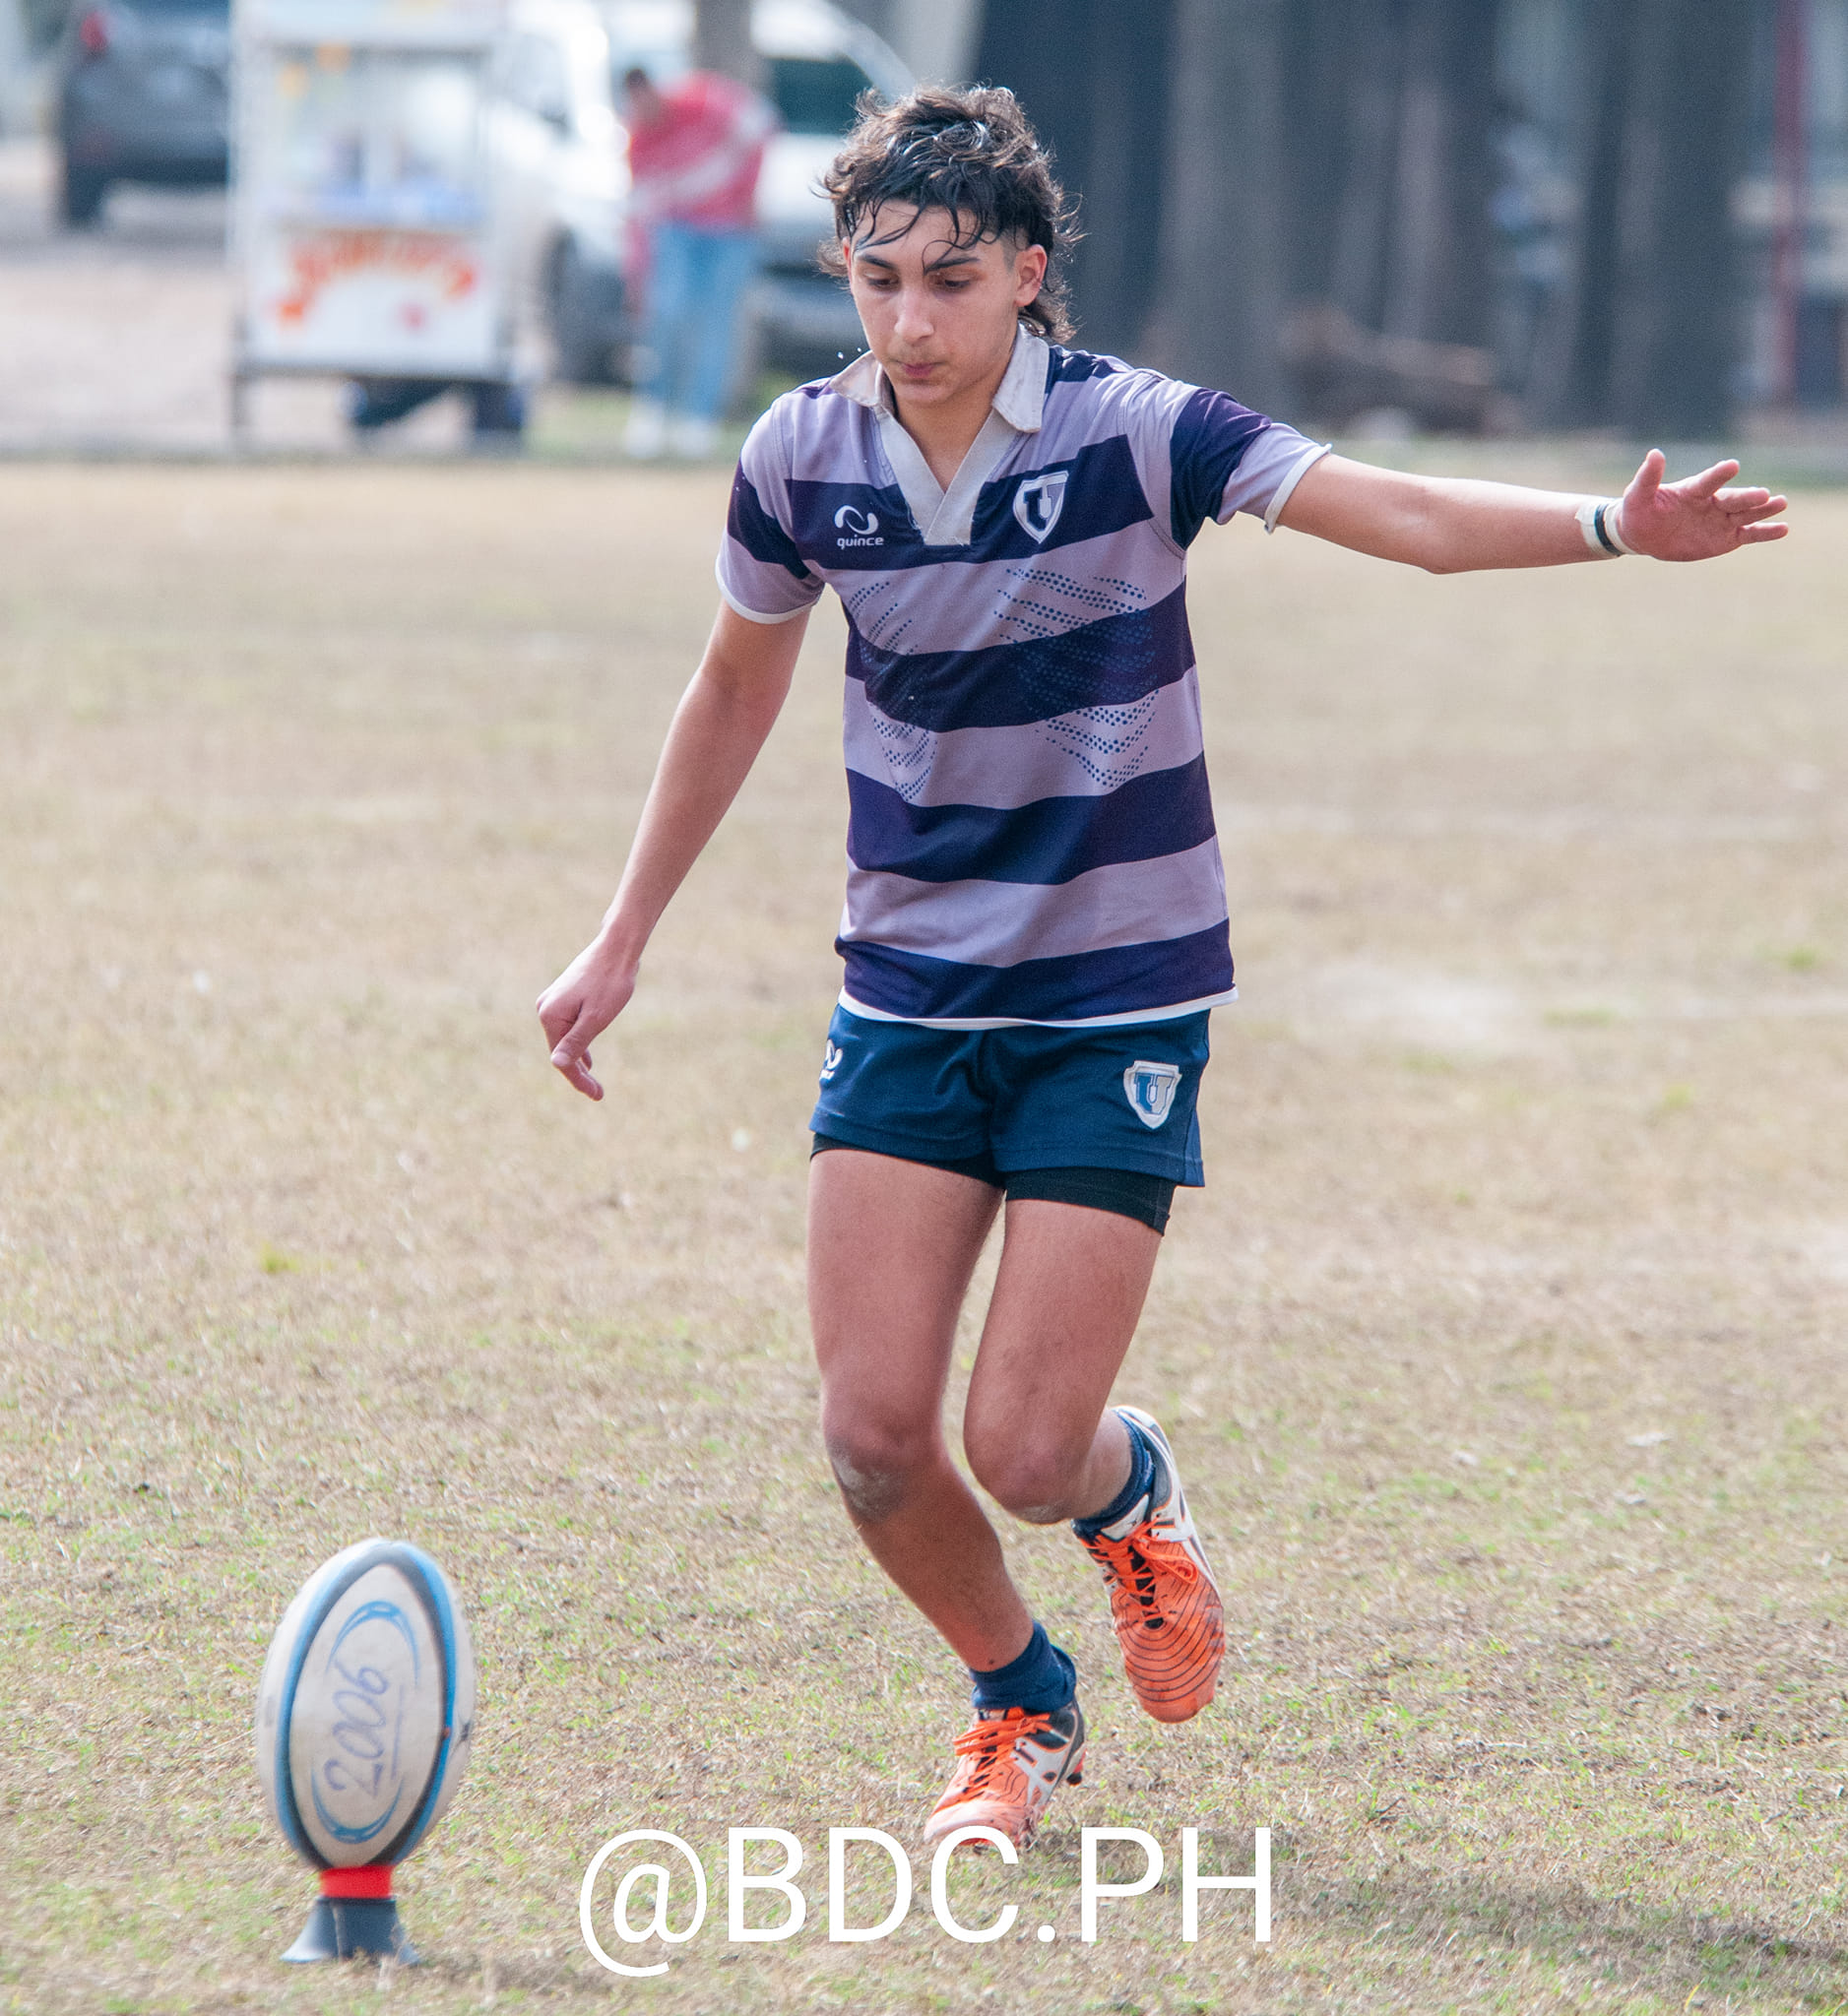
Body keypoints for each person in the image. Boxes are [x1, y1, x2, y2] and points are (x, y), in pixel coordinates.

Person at [537, 87, 1788, 1850]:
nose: (909, 320)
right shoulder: (799, 457)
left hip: (1113, 994)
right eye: (877, 278)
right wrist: (622, 933)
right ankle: (1018, 1700)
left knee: (1028, 1449)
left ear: (1027, 276)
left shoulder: (1140, 432)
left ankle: (1130, 1503)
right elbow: (733, 684)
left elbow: (1401, 512)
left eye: (951, 280)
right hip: (904, 991)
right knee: (876, 1441)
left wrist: (1610, 527)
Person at [619, 64, 777, 462]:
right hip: (677, 231)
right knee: (666, 315)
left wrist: (748, 187)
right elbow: (639, 211)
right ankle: (654, 409)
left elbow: (761, 122)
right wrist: (636, 270)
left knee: (715, 324)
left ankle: (697, 418)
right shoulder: (640, 141)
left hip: (731, 232)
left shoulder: (699, 99)